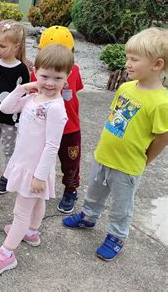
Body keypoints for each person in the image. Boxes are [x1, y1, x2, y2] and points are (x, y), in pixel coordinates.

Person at [63, 27, 168, 261]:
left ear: (157, 64)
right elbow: (115, 118)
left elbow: (162, 138)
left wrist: (145, 160)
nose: (127, 63)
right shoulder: (126, 87)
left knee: (122, 206)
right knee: (94, 191)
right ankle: (89, 216)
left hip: (128, 165)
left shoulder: (162, 103)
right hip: (104, 155)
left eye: (134, 59)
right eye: (127, 58)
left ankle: (117, 235)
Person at [0, 44, 73, 276]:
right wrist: (22, 87)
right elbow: (5, 106)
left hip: (35, 169)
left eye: (57, 78)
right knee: (37, 201)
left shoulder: (56, 108)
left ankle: (7, 253)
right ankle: (31, 232)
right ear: (36, 71)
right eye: (44, 76)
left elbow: (53, 145)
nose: (50, 83)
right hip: (25, 162)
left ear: (67, 77)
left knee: (21, 211)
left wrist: (40, 176)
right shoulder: (34, 97)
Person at [32, 26, 84, 213]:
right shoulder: (37, 73)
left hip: (70, 128)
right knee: (39, 157)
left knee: (70, 160)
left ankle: (71, 190)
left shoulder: (74, 71)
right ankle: (37, 181)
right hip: (43, 127)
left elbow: (75, 90)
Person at [0, 21, 30, 193]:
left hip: (10, 118)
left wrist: (21, 115)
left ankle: (8, 174)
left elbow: (25, 94)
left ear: (16, 46)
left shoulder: (22, 69)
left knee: (9, 148)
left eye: (2, 45)